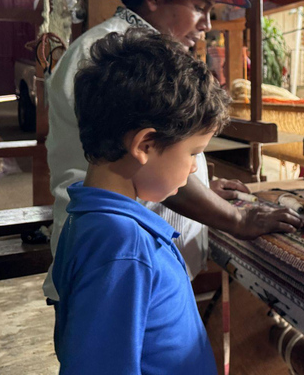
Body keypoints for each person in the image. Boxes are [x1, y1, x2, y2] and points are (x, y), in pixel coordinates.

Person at [43, 0, 302, 301]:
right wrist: (238, 219)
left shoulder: (139, 52)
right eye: (199, 7)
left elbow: (158, 159)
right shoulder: (115, 58)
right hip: (116, 270)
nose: (207, 24)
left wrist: (201, 187)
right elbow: (142, 159)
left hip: (140, 267)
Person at [53, 29, 226, 374]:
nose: (194, 167)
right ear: (144, 145)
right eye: (193, 153)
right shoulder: (122, 247)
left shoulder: (94, 221)